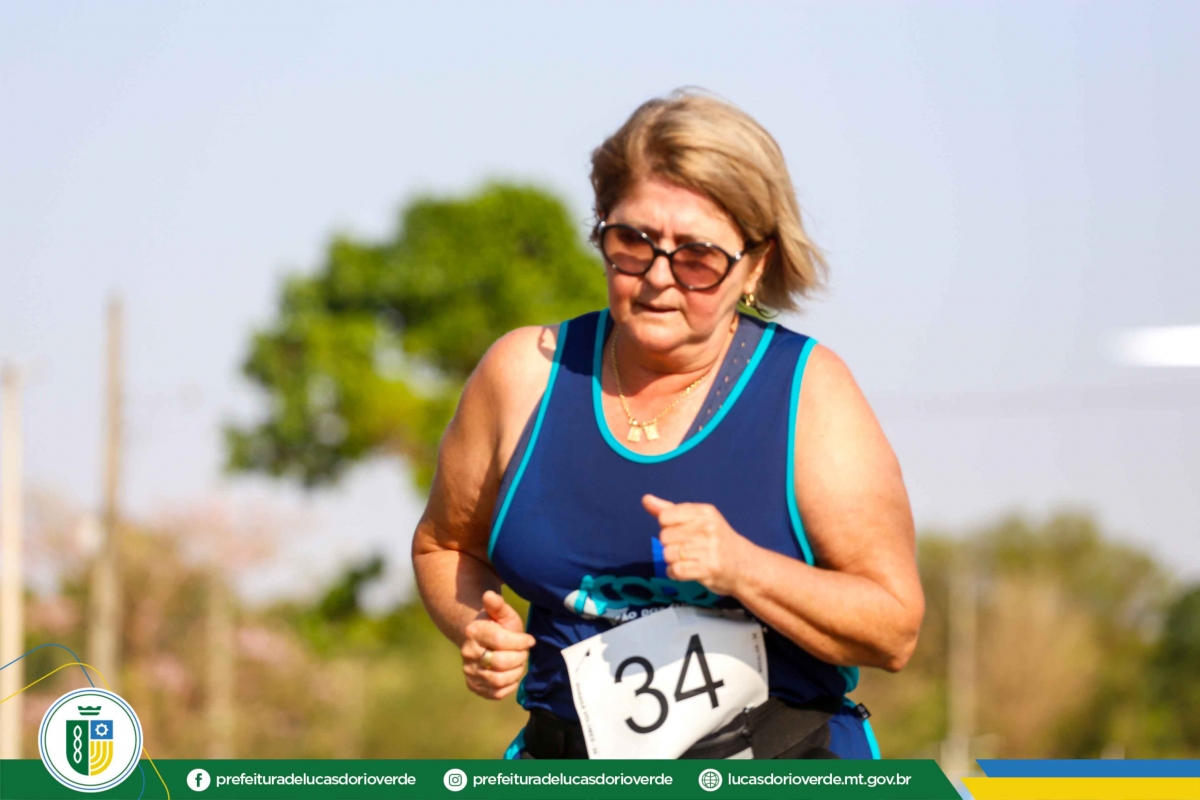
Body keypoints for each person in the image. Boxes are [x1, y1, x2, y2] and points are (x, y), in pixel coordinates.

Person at [411, 91, 924, 760]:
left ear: (756, 263)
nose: (658, 277)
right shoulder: (522, 374)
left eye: (697, 257)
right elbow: (444, 546)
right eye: (633, 242)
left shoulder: (809, 392)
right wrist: (477, 627)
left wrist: (743, 567)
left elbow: (893, 630)